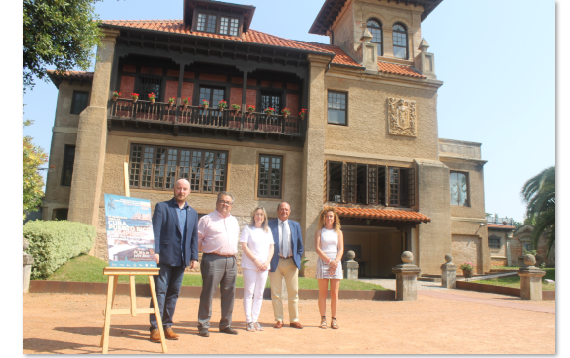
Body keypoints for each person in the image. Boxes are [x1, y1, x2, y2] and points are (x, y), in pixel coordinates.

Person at [149, 179, 199, 342]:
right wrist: (155, 252)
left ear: (189, 191)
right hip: (163, 257)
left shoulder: (192, 212)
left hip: (182, 259)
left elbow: (193, 237)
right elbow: (155, 231)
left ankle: (167, 325)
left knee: (173, 293)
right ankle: (155, 327)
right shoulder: (162, 207)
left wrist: (194, 256)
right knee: (159, 292)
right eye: (179, 188)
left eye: (185, 189)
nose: (181, 191)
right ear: (173, 189)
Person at [196, 191, 240, 337]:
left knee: (229, 293)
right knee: (208, 293)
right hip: (213, 260)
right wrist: (211, 251)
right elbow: (198, 241)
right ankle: (203, 324)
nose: (225, 204)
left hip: (231, 261)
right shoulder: (206, 219)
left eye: (228, 202)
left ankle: (226, 324)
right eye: (222, 201)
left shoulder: (234, 221)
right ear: (216, 203)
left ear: (231, 206)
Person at [268, 202, 304, 329]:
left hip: (290, 263)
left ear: (290, 212)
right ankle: (279, 320)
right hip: (275, 262)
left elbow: (300, 246)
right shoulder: (269, 225)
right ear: (277, 211)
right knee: (276, 293)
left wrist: (297, 258)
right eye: (282, 209)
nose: (284, 211)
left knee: (293, 293)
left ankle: (294, 320)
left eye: (287, 210)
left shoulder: (295, 225)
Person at [240, 207, 275, 332]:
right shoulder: (248, 229)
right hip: (250, 265)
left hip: (264, 267)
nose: (259, 216)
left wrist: (266, 262)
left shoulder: (267, 231)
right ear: (253, 216)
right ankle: (248, 320)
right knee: (249, 292)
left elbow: (271, 248)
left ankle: (255, 320)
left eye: (261, 214)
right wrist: (256, 260)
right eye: (257, 214)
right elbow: (244, 246)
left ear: (264, 217)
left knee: (259, 294)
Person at [315, 207, 344, 329]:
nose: (329, 218)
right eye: (327, 216)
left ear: (334, 218)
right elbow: (317, 248)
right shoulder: (319, 231)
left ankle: (334, 319)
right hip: (323, 261)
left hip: (335, 262)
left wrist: (335, 263)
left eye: (331, 216)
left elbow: (341, 249)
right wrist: (328, 261)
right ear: (323, 218)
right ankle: (323, 319)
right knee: (322, 293)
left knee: (334, 293)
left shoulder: (339, 232)